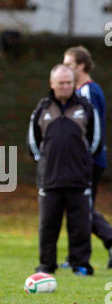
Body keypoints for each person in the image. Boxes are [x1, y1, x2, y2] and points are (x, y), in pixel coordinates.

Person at [27, 64, 102, 276]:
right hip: (49, 180)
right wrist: (46, 163)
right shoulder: (42, 108)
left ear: (73, 84)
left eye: (69, 82)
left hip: (79, 179)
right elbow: (33, 144)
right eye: (61, 83)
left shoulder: (86, 108)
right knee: (48, 226)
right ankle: (46, 265)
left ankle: (81, 264)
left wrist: (82, 162)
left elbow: (94, 142)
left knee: (80, 226)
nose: (65, 86)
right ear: (52, 83)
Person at [63, 46, 112, 268]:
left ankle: (79, 257)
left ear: (81, 66)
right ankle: (75, 257)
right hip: (88, 159)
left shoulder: (87, 92)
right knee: (79, 207)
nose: (65, 70)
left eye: (69, 65)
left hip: (88, 160)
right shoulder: (87, 90)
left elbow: (93, 129)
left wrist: (87, 156)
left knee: (81, 207)